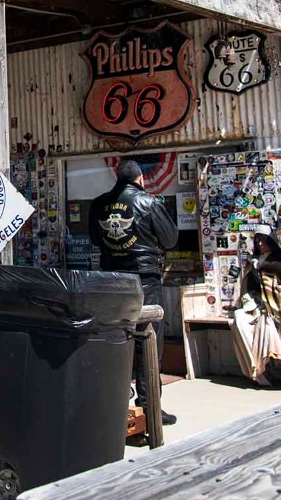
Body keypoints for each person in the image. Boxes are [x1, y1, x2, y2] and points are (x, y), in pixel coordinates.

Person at [89, 159, 179, 425]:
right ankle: (150, 407)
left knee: (116, 339)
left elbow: (95, 239)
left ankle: (115, 403)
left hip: (112, 280)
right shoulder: (149, 203)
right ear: (141, 179)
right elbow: (171, 239)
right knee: (149, 343)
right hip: (145, 282)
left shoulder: (99, 204)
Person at [231, 228, 281, 386]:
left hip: (272, 307)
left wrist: (260, 270)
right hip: (254, 304)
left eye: (264, 241)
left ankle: (274, 370)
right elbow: (249, 286)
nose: (260, 244)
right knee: (238, 321)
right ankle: (254, 368)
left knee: (266, 326)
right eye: (258, 241)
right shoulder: (254, 260)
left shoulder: (278, 260)